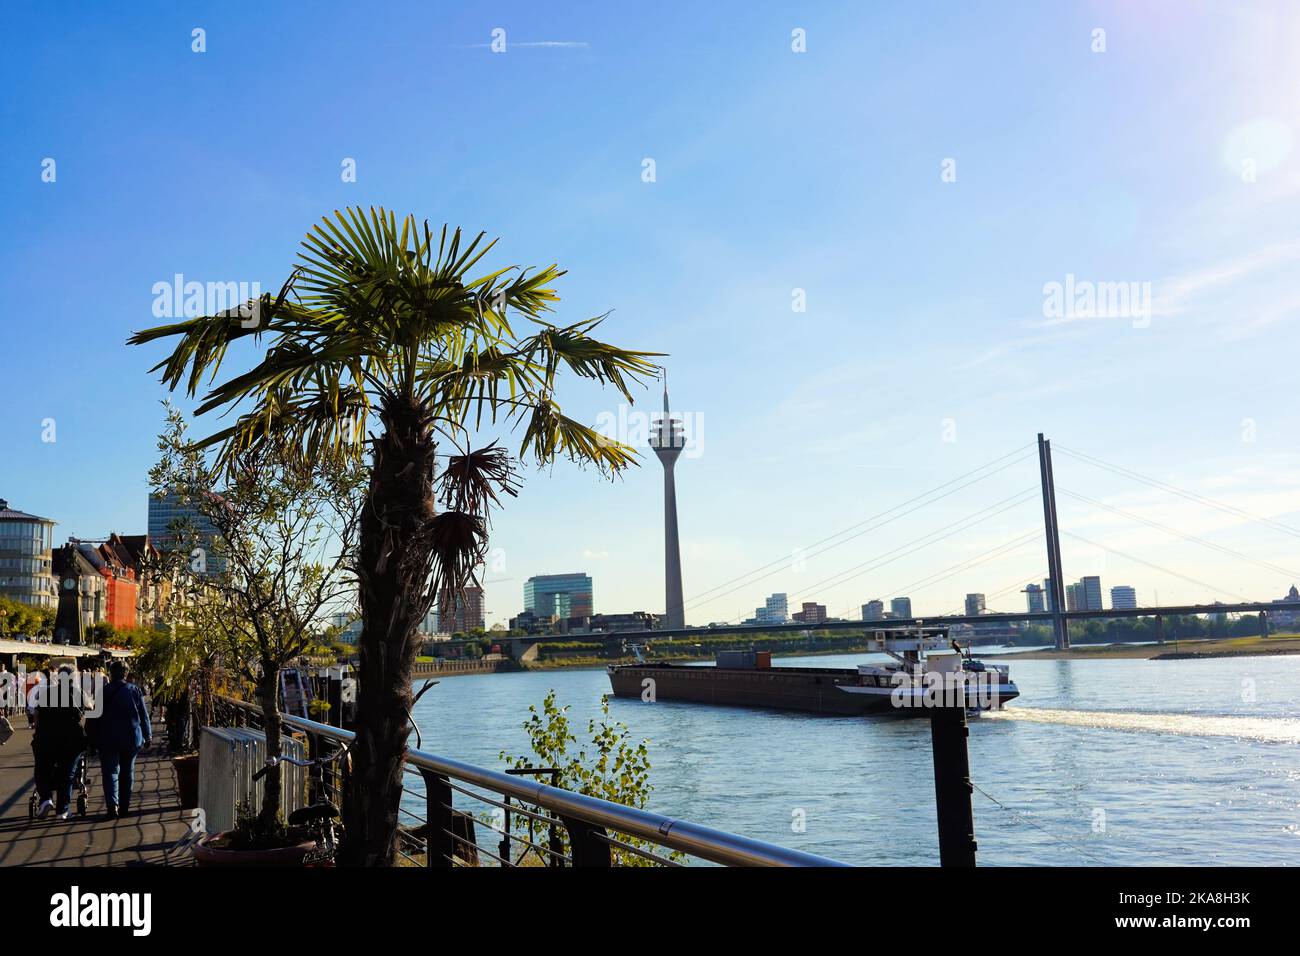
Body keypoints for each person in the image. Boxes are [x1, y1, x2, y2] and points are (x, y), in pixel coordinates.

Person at [87, 661, 151, 819]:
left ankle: (112, 805)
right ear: (126, 674)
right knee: (128, 772)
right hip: (131, 737)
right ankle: (124, 806)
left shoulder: (104, 691)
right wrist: (147, 735)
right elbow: (143, 715)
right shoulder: (134, 690)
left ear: (111, 674)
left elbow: (95, 716)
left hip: (108, 738)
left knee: (110, 772)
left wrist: (91, 738)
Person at [30, 666, 86, 821]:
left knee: (42, 769)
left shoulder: (47, 692)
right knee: (66, 774)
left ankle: (46, 799)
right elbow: (83, 713)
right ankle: (63, 809)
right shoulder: (77, 694)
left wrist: (38, 730)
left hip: (46, 738)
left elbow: (36, 714)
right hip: (70, 740)